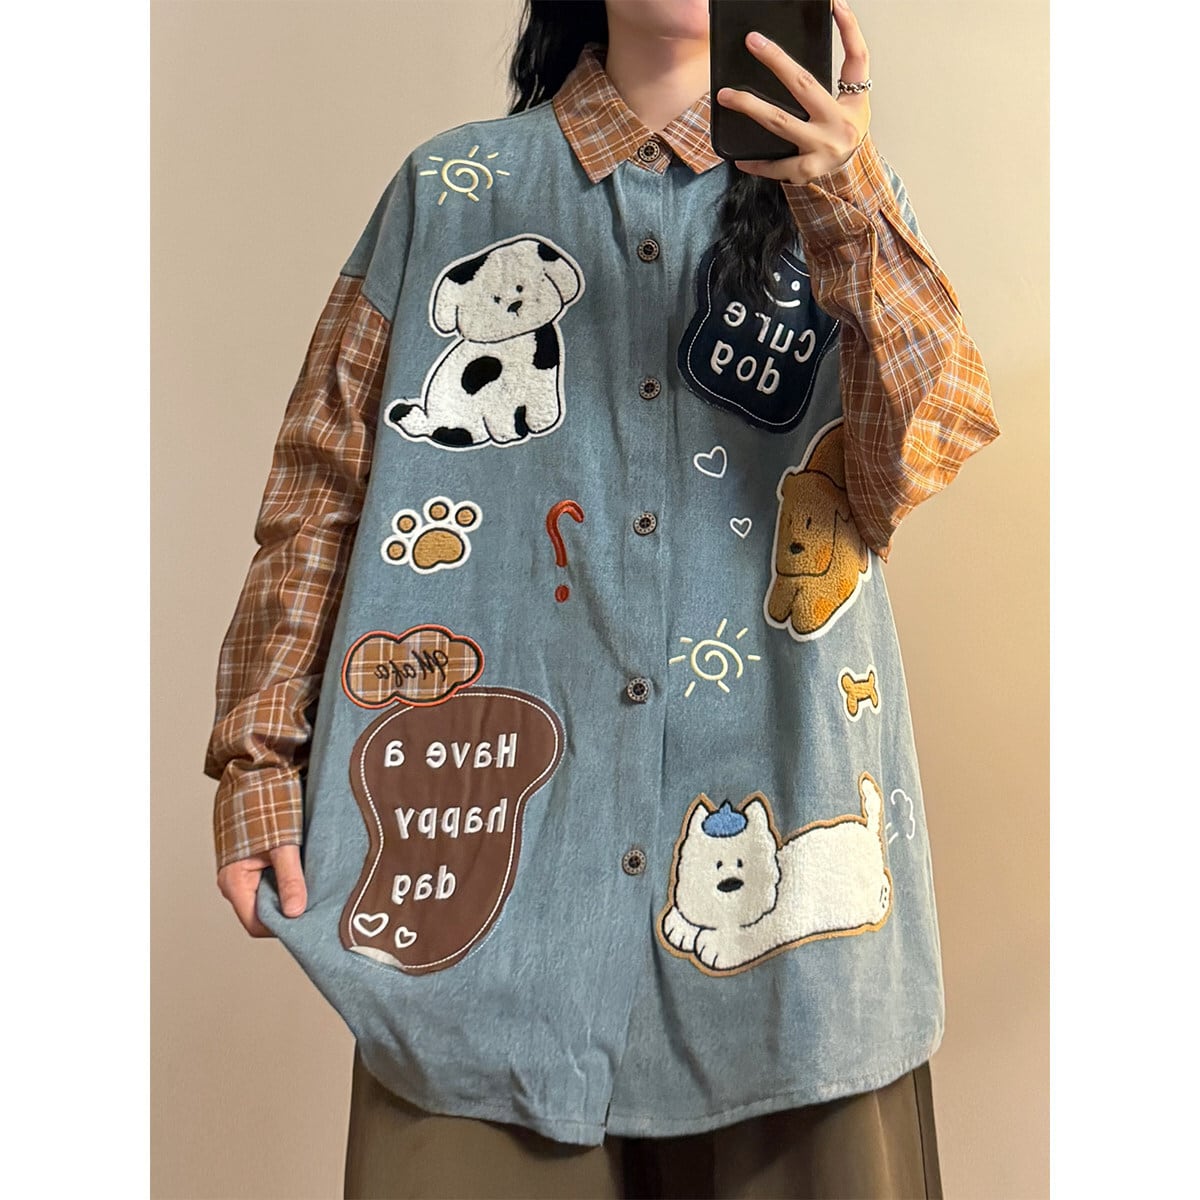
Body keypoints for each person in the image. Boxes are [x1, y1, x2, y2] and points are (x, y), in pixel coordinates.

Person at [205, 0, 1000, 1195]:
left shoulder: (841, 200)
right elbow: (323, 482)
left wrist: (846, 201)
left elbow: (923, 452)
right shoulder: (449, 191)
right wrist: (258, 756)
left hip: (783, 919)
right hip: (493, 905)